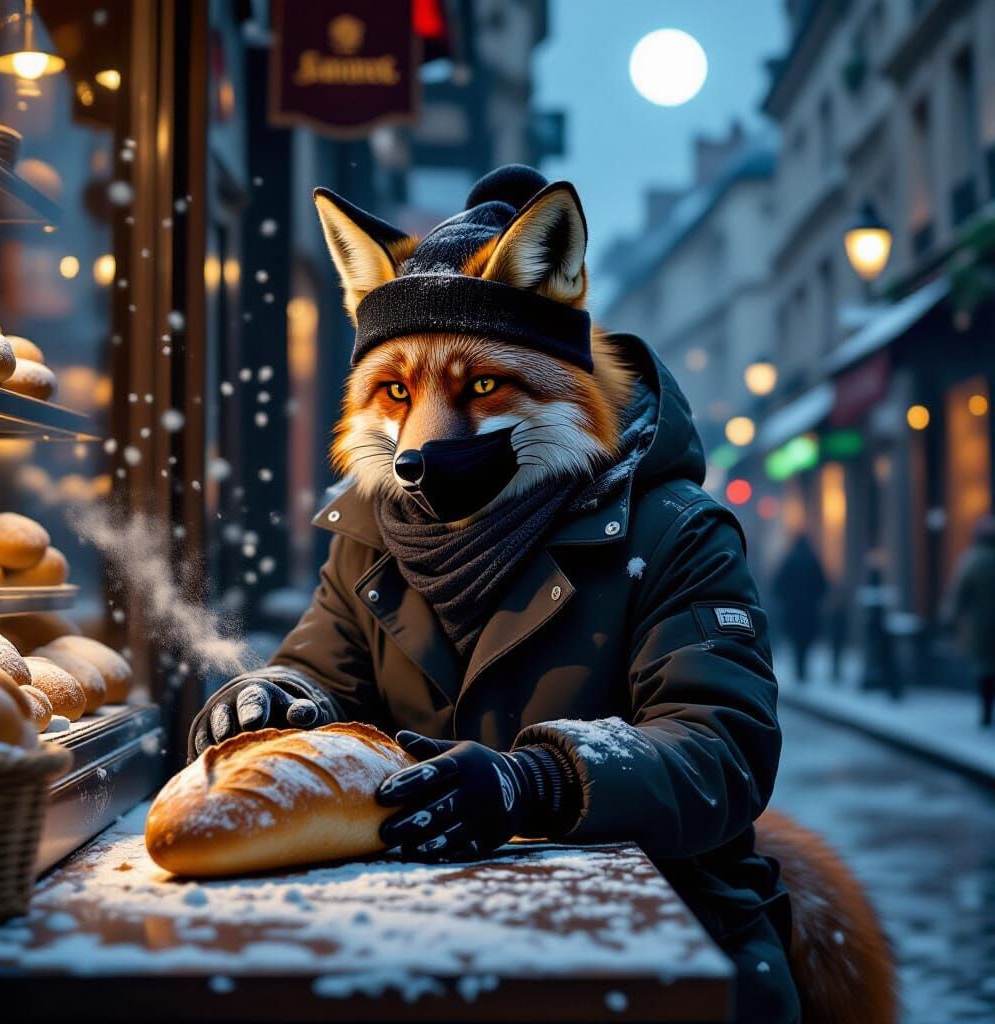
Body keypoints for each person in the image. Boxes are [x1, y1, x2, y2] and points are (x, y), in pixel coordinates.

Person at [191, 166, 804, 1020]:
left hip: (662, 946)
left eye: (480, 386)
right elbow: (320, 673)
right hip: (433, 936)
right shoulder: (375, 535)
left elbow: (723, 755)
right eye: (398, 393)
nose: (422, 443)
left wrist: (541, 782)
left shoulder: (676, 532)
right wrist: (272, 703)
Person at [945, 516, 995, 726]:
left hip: (982, 626)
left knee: (985, 669)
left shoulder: (973, 560)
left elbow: (959, 594)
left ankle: (986, 713)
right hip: (984, 624)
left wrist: (949, 619)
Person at [772, 534, 828, 682]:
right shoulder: (813, 561)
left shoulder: (790, 561)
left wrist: (786, 598)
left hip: (793, 609)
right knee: (805, 640)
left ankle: (799, 670)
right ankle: (802, 670)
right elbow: (822, 585)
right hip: (809, 610)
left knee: (796, 640)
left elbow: (778, 585)